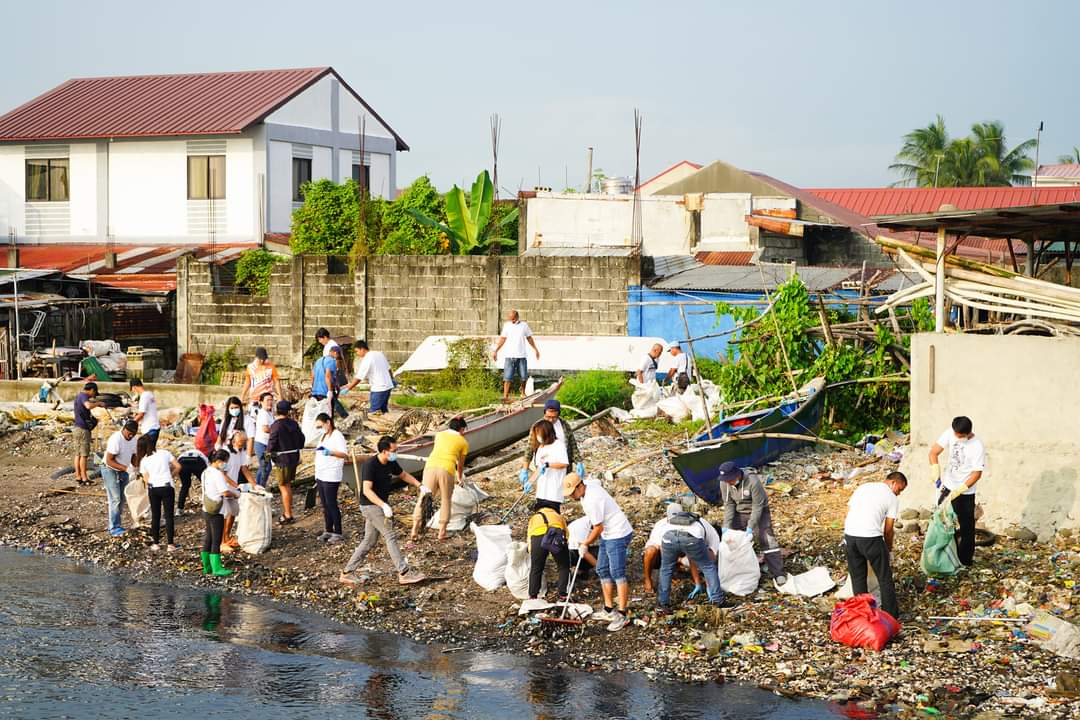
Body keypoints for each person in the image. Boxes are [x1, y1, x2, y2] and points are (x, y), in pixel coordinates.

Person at [340, 436, 425, 586]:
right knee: (390, 535)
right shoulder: (370, 465)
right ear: (385, 451)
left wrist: (420, 485)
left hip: (380, 504)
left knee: (369, 541)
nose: (396, 453)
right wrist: (383, 506)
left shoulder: (390, 462)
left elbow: (403, 475)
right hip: (370, 505)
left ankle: (347, 572)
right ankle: (404, 572)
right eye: (394, 450)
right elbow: (366, 490)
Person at [563, 472, 634, 632]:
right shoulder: (588, 488)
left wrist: (585, 544)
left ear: (580, 486)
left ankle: (622, 614)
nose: (572, 497)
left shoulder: (592, 500)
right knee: (602, 569)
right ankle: (609, 609)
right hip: (608, 534)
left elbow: (598, 527)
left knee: (617, 573)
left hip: (618, 533)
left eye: (573, 492)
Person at [843, 471, 907, 619]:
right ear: (893, 483)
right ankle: (890, 615)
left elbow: (847, 513)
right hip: (871, 537)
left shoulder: (863, 487)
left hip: (850, 535)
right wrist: (888, 549)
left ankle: (862, 613)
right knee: (884, 577)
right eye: (900, 489)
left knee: (858, 577)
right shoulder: (891, 498)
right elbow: (889, 529)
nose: (899, 494)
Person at [928, 416, 985, 567]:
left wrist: (961, 489)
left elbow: (977, 473)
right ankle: (946, 557)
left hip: (965, 492)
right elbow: (933, 452)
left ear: (967, 433)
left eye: (959, 436)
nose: (955, 437)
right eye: (955, 434)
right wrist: (935, 468)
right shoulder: (950, 433)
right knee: (943, 523)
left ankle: (965, 560)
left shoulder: (977, 446)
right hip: (947, 486)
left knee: (967, 527)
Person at [718, 461, 787, 586]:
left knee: (766, 539)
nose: (728, 482)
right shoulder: (724, 483)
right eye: (726, 480)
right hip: (739, 511)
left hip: (758, 511)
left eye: (730, 480)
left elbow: (757, 507)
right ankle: (741, 572)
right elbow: (728, 504)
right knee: (733, 542)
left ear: (737, 475)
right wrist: (726, 525)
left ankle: (778, 573)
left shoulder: (753, 482)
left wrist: (750, 527)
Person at [650, 503, 725, 611]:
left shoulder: (673, 522)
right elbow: (710, 562)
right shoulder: (714, 536)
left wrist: (698, 583)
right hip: (690, 538)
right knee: (709, 567)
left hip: (668, 537)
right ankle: (718, 600)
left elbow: (691, 559)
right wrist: (708, 585)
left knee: (666, 569)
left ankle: (662, 603)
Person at [412, 416, 467, 541]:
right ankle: (442, 532)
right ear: (462, 429)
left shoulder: (439, 435)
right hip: (446, 469)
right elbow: (460, 464)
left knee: (423, 497)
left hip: (430, 466)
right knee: (446, 500)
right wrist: (459, 477)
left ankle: (415, 528)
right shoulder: (463, 442)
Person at [134, 433, 180, 552]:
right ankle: (170, 544)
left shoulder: (144, 460)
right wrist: (171, 475)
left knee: (156, 516)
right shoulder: (164, 453)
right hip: (167, 486)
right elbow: (178, 466)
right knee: (169, 516)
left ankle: (156, 543)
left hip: (153, 488)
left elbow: (146, 478)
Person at [520, 399, 580, 485]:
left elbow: (573, 445)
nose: (551, 420)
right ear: (544, 413)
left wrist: (579, 462)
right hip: (543, 467)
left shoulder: (564, 425)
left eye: (554, 417)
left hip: (562, 465)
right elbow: (529, 448)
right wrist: (524, 469)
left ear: (558, 415)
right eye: (548, 417)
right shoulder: (538, 427)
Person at [201, 449, 239, 577]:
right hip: (216, 510)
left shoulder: (205, 472)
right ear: (218, 461)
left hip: (206, 508)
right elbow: (224, 492)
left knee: (209, 538)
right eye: (225, 462)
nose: (226, 464)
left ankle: (207, 567)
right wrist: (235, 494)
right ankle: (217, 568)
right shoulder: (217, 474)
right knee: (216, 540)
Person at [266, 400, 304, 524]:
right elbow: (301, 440)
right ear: (289, 411)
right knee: (288, 485)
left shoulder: (276, 425)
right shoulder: (294, 424)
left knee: (284, 486)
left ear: (277, 410)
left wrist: (268, 453)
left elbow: (272, 442)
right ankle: (289, 512)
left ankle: (288, 514)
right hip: (294, 458)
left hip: (282, 460)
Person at [313, 413, 348, 544]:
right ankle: (328, 529)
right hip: (321, 473)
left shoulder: (337, 435)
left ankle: (338, 532)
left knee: (331, 503)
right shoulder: (323, 436)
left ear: (328, 422)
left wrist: (330, 452)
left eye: (321, 426)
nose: (320, 429)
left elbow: (344, 454)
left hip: (331, 474)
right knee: (324, 504)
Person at [492, 309, 540, 402]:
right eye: (510, 319)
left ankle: (522, 391)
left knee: (524, 376)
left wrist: (535, 349)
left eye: (513, 319)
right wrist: (496, 350)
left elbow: (529, 338)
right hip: (509, 356)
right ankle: (505, 396)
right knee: (507, 377)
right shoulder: (507, 326)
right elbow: (502, 339)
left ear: (517, 317)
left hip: (521, 355)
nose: (512, 321)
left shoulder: (524, 326)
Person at [101, 420, 138, 537]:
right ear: (124, 429)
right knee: (115, 498)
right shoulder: (116, 439)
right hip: (110, 469)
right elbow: (109, 460)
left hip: (123, 470)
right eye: (129, 433)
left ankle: (117, 523)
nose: (131, 436)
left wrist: (136, 467)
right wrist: (126, 468)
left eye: (133, 434)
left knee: (122, 498)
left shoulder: (133, 440)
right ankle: (114, 527)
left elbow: (133, 456)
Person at [526, 502, 571, 601]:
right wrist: (563, 548)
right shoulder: (558, 516)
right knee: (563, 566)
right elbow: (567, 534)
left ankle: (533, 596)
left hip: (538, 538)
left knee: (536, 568)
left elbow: (529, 536)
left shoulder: (535, 517)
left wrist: (531, 551)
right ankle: (562, 594)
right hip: (556, 536)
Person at [220, 430, 255, 552]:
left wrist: (254, 484)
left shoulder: (241, 452)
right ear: (234, 441)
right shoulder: (226, 453)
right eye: (240, 443)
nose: (242, 445)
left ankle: (227, 536)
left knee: (233, 513)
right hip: (224, 487)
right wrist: (236, 485)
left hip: (233, 488)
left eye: (244, 443)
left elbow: (244, 468)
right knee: (224, 515)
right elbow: (222, 474)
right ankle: (222, 541)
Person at [526, 420, 569, 512]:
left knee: (552, 514)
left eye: (539, 433)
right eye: (536, 434)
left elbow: (564, 463)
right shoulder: (541, 448)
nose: (538, 437)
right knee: (541, 514)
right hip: (542, 491)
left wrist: (548, 464)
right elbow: (539, 468)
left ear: (547, 432)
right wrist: (530, 481)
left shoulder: (558, 445)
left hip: (554, 490)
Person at [343, 340, 395, 415]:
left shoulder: (367, 358)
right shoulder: (379, 354)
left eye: (357, 351)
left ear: (362, 349)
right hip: (388, 387)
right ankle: (388, 424)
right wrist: (392, 379)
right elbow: (389, 369)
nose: (357, 354)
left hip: (379, 388)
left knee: (373, 412)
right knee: (383, 410)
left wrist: (348, 388)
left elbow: (359, 377)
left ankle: (375, 426)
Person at [72, 382, 102, 485]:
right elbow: (88, 406)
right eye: (94, 393)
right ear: (92, 390)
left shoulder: (79, 396)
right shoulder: (84, 396)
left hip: (77, 428)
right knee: (84, 454)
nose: (94, 395)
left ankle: (78, 476)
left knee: (78, 454)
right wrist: (98, 404)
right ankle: (84, 478)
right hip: (83, 429)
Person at [250, 392, 275, 487]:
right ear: (261, 402)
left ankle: (259, 485)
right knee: (266, 467)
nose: (270, 402)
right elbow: (265, 429)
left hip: (267, 444)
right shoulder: (263, 413)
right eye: (267, 400)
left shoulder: (269, 413)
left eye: (271, 400)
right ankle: (259, 486)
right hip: (261, 444)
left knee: (264, 466)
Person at [176, 445, 208, 516]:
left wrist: (183, 482)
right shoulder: (202, 455)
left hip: (182, 462)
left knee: (185, 486)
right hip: (198, 462)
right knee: (205, 484)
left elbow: (178, 467)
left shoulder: (182, 455)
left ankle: (179, 509)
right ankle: (206, 505)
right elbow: (207, 470)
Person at [567, 516, 597, 582]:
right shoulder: (581, 528)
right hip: (572, 553)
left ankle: (583, 572)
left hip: (574, 551)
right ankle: (580, 571)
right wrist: (600, 569)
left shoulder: (586, 522)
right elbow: (584, 552)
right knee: (600, 552)